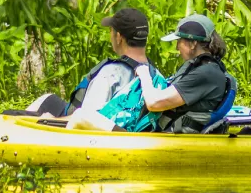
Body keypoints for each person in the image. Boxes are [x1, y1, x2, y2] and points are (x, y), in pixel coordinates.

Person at [20, 8, 155, 119]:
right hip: (119, 122)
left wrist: (51, 119)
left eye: (111, 31)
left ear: (119, 37)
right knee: (48, 99)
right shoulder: (154, 74)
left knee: (14, 115)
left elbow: (87, 119)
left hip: (79, 130)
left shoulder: (111, 74)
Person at [134, 14, 237, 134]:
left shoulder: (206, 73)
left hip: (177, 141)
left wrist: (144, 74)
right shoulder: (204, 68)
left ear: (193, 44)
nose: (177, 47)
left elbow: (154, 103)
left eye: (179, 41)